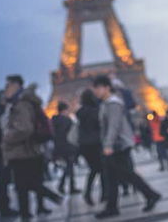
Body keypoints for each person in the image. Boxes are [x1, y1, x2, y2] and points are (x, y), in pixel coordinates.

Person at [91, 76, 161, 219]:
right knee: (111, 177)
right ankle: (112, 207)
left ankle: (151, 195)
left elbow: (114, 125)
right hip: (113, 145)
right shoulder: (107, 103)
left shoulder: (113, 103)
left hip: (118, 145)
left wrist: (108, 145)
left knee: (127, 174)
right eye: (95, 88)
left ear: (107, 87)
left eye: (98, 88)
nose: (96, 91)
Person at [0, 75, 61, 219]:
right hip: (30, 151)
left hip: (22, 151)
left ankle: (29, 213)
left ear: (16, 85)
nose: (5, 89)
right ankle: (32, 210)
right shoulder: (23, 103)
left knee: (23, 186)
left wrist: (7, 136)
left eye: (8, 85)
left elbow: (25, 129)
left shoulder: (20, 105)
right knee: (29, 184)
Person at [75, 90, 103, 206]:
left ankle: (88, 194)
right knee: (102, 169)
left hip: (84, 145)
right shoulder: (95, 111)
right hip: (96, 143)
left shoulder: (80, 112)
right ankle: (104, 194)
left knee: (94, 169)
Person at [50, 103, 80, 195]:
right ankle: (66, 185)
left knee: (68, 166)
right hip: (68, 146)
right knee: (69, 166)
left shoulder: (53, 120)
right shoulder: (67, 120)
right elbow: (72, 133)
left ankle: (67, 185)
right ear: (64, 110)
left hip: (58, 146)